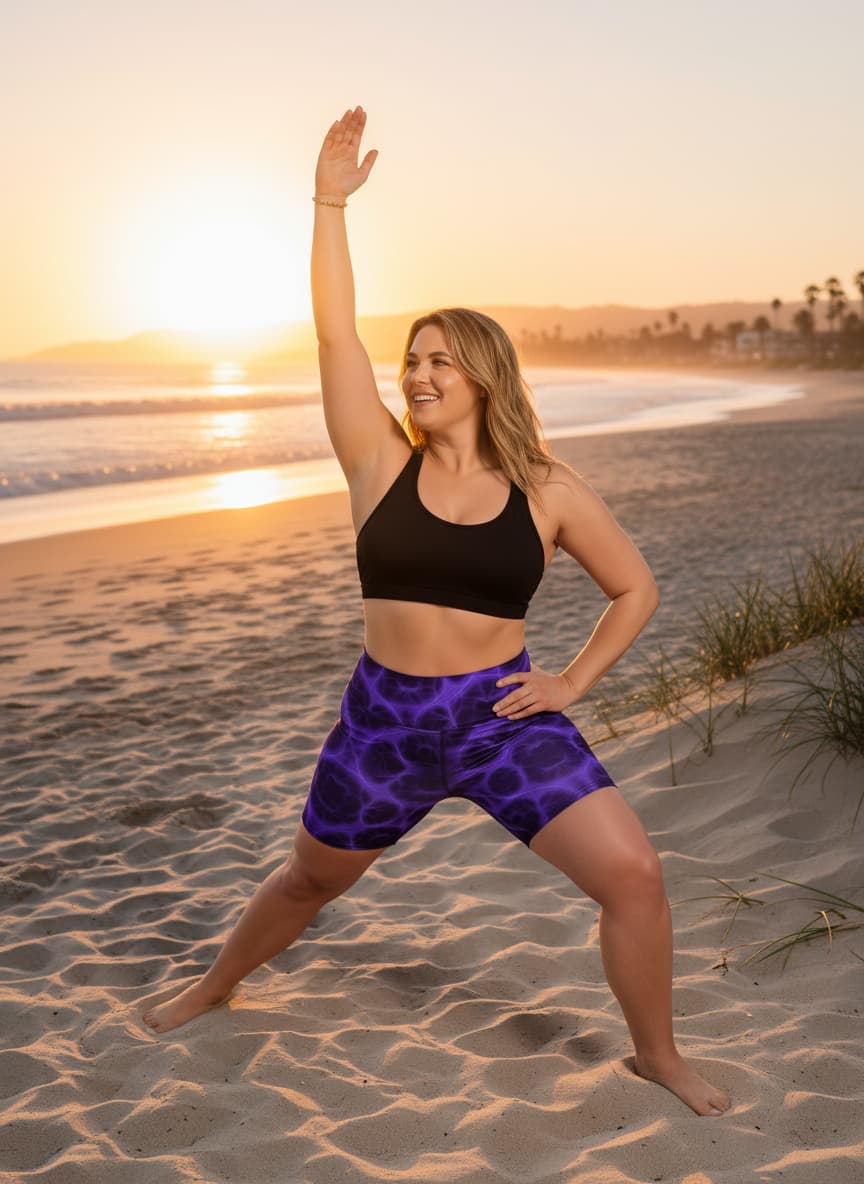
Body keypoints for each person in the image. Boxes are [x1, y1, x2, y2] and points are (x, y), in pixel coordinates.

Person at [143, 105, 731, 1118]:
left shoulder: (548, 487)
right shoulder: (378, 461)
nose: (416, 374)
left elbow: (636, 587)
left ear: (484, 375)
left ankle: (659, 1054)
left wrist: (574, 680)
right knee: (308, 881)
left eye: (438, 360)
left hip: (502, 718)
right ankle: (215, 981)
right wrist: (328, 204)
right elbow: (333, 329)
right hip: (386, 721)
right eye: (411, 358)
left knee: (633, 873)